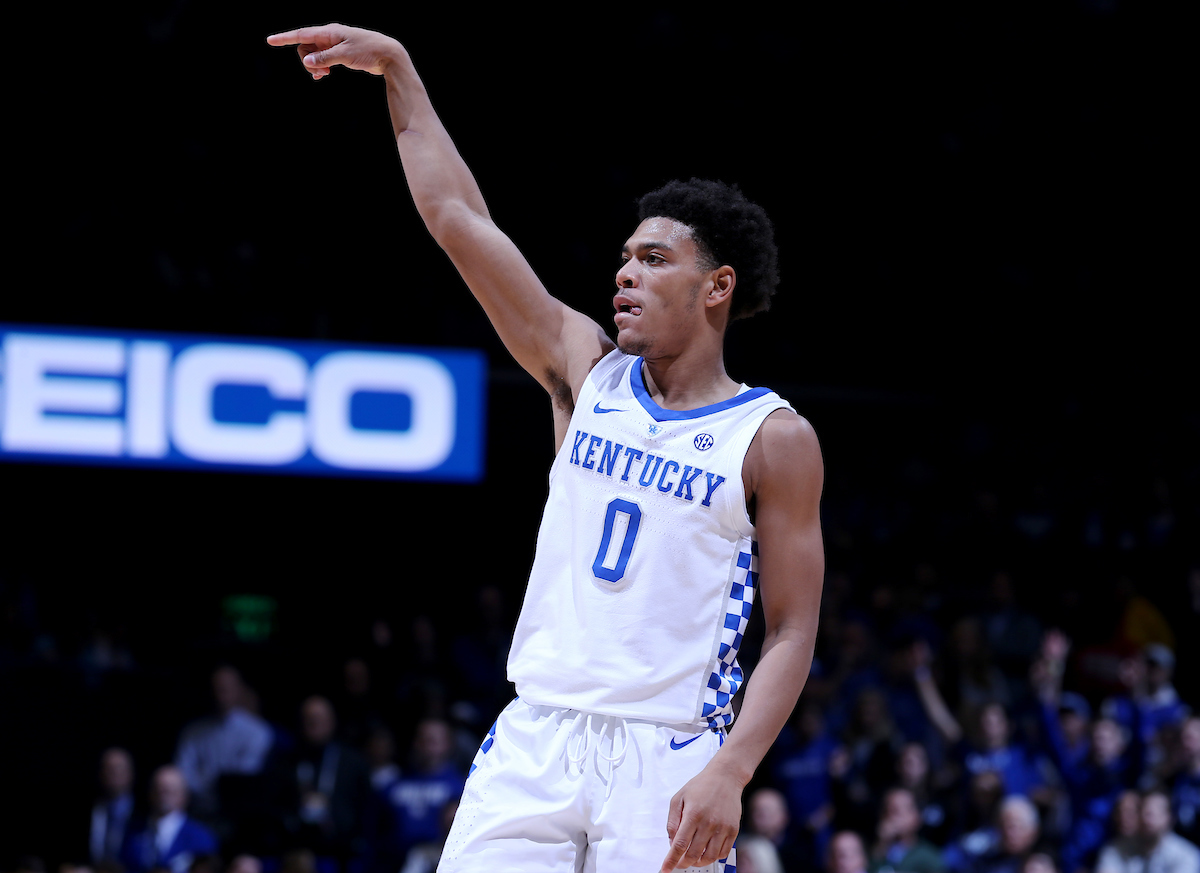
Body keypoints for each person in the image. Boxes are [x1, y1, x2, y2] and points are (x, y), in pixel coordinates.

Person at [268, 21, 825, 873]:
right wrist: (399, 71)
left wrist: (733, 769)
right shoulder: (584, 370)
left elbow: (791, 629)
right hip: (538, 731)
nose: (624, 274)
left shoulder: (772, 438)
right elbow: (457, 218)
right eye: (623, 259)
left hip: (668, 751)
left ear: (717, 286)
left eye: (653, 259)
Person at [119, 765, 218, 873]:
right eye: (158, 789)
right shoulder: (133, 832)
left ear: (184, 795)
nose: (163, 796)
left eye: (170, 790)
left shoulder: (201, 837)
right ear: (150, 793)